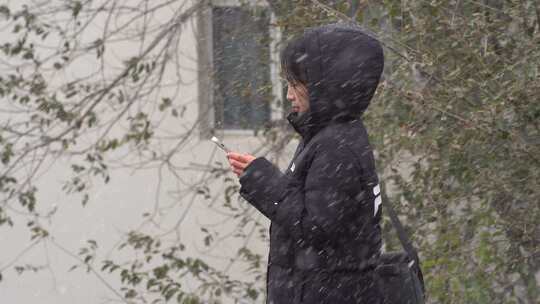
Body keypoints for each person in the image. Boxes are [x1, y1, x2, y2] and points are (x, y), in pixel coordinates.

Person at [227, 23, 384, 304]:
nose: (288, 95)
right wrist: (259, 177)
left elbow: (315, 228)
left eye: (295, 85)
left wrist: (263, 181)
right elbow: (313, 215)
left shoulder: (336, 145)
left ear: (325, 85)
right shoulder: (331, 135)